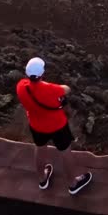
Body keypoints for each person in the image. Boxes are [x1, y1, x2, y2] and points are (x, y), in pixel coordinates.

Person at [16, 57, 93, 195]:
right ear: (42, 73)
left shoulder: (21, 86)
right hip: (57, 126)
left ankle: (42, 179)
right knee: (65, 151)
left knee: (40, 148)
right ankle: (73, 184)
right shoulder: (50, 89)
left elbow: (34, 90)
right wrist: (46, 84)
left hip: (36, 125)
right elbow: (66, 89)